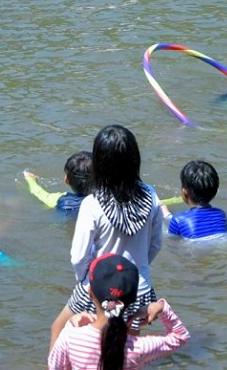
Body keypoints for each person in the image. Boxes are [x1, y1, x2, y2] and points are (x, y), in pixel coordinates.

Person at [58, 126, 165, 336]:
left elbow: (78, 257)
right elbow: (155, 244)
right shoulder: (150, 195)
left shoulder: (92, 203)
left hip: (98, 290)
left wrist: (86, 281)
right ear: (135, 159)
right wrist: (136, 270)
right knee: (126, 349)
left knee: (60, 329)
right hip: (139, 291)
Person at [48, 255, 189, 370]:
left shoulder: (71, 336)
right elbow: (180, 337)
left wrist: (71, 323)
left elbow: (55, 366)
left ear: (90, 293)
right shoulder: (138, 347)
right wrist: (162, 308)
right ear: (133, 300)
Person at [167, 159, 227, 240]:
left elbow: (171, 241)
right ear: (215, 192)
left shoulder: (177, 220)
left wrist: (167, 216)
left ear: (185, 192)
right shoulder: (221, 215)